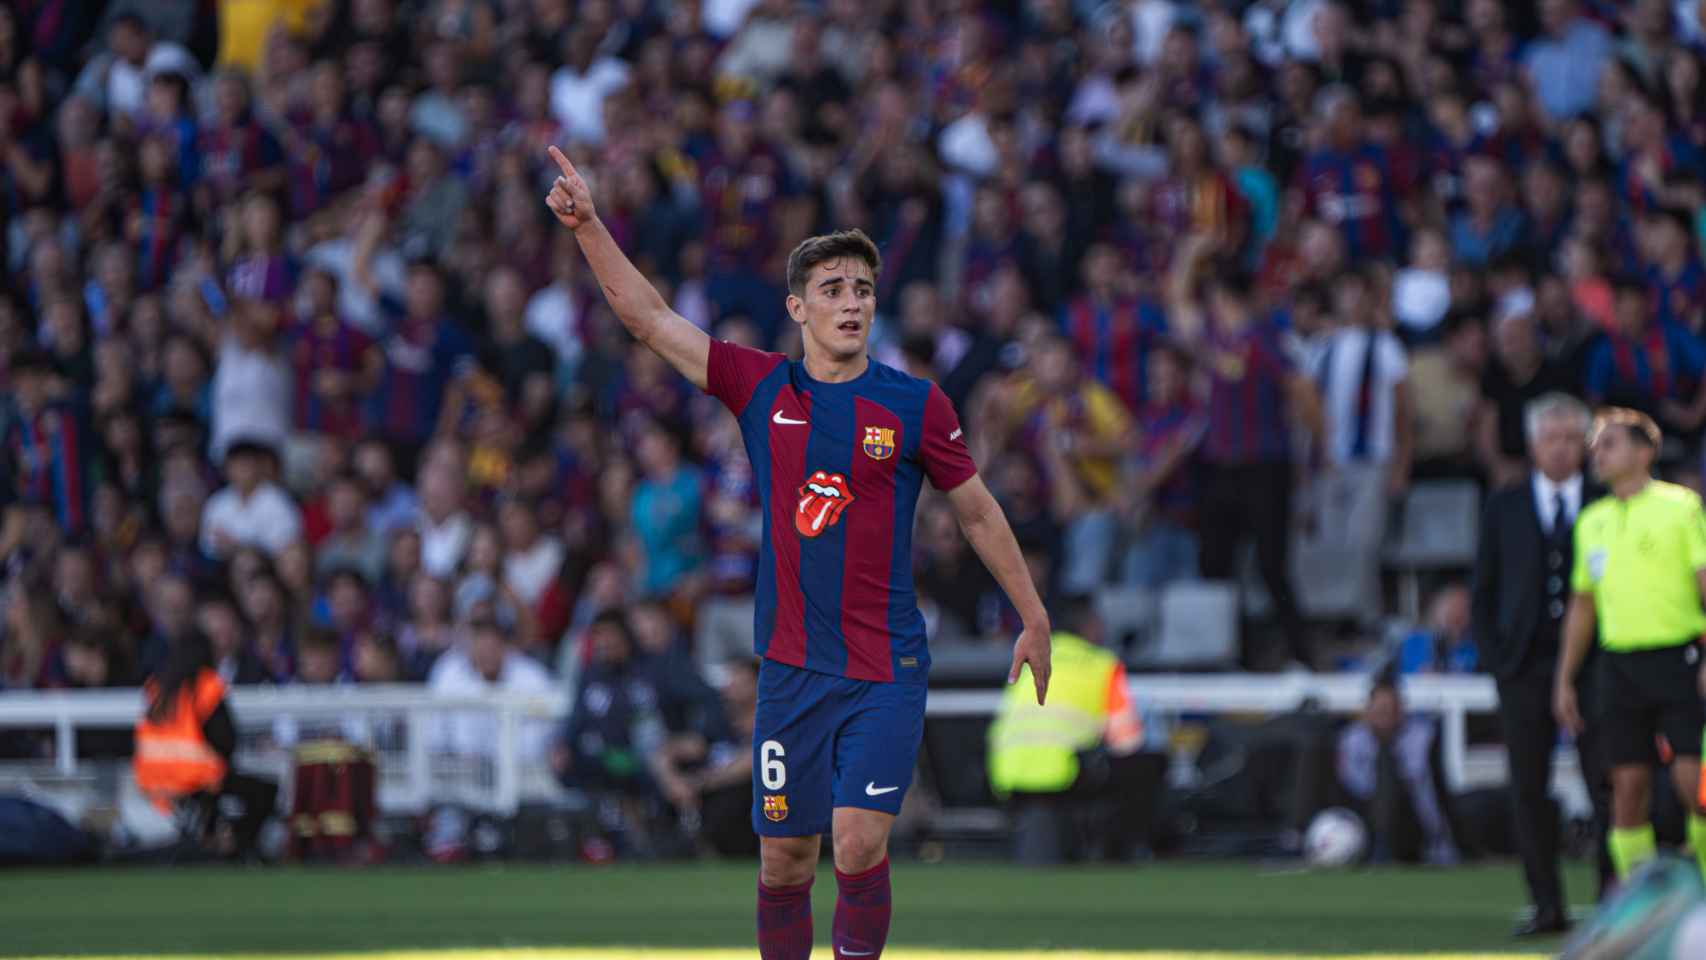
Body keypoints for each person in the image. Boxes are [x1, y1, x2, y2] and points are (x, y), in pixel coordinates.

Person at [545, 144, 1051, 960]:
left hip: (886, 668)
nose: (852, 303)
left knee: (856, 842)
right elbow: (648, 319)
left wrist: (1032, 615)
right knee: (785, 861)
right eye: (833, 290)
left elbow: (980, 513)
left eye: (862, 289)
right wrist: (591, 225)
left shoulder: (916, 405)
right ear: (798, 308)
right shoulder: (762, 389)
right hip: (790, 672)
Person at [1472, 392, 1611, 936]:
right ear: (1532, 446)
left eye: (1570, 438)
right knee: (1528, 788)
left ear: (1586, 445)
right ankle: (1546, 904)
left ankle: (1609, 902)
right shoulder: (1503, 505)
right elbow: (1483, 590)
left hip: (1595, 667)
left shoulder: (1605, 502)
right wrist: (1497, 659)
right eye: (1550, 439)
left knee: (1605, 783)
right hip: (1524, 667)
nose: (1560, 449)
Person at [1555, 408, 1706, 886]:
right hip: (1618, 666)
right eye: (1596, 444)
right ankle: (1645, 906)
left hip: (1679, 657)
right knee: (1627, 787)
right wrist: (1564, 678)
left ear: (1645, 452)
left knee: (1693, 782)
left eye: (1610, 443)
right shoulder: (1591, 521)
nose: (1597, 453)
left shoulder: (1680, 507)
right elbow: (1583, 606)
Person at [986, 595, 1157, 864]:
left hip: (1007, 771)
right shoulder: (1102, 665)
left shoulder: (1031, 656)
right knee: (1141, 768)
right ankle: (1123, 855)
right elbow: (1128, 741)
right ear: (1089, 626)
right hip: (1065, 774)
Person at [132, 630, 278, 860]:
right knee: (265, 791)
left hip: (153, 783)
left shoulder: (155, 687)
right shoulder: (205, 685)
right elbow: (226, 739)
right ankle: (236, 847)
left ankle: (211, 839)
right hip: (196, 780)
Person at [1337, 675, 1461, 866]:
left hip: (1413, 820)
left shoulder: (1424, 738)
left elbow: (1426, 787)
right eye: (1380, 710)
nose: (1385, 718)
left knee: (1391, 774)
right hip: (1365, 820)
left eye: (1390, 710)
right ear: (1367, 711)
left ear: (1402, 711)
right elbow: (1354, 786)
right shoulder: (1352, 740)